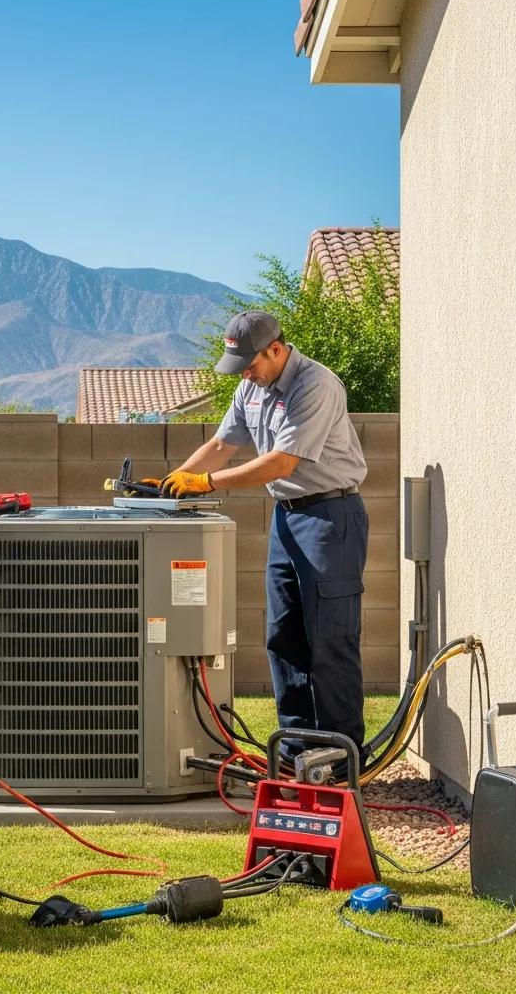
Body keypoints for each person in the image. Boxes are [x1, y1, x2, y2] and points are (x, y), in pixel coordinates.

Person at [155, 311, 369, 750]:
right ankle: (296, 750)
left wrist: (206, 483)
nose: (245, 375)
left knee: (330, 639)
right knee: (283, 637)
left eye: (250, 365)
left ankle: (340, 756)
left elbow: (281, 462)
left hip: (330, 517)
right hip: (286, 517)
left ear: (276, 349)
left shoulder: (315, 385)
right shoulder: (250, 387)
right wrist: (169, 484)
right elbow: (221, 444)